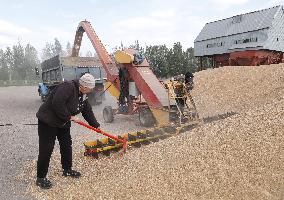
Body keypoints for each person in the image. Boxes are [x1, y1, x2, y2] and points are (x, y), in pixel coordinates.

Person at [35, 73, 100, 189]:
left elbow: (87, 110)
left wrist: (95, 125)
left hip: (62, 122)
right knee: (47, 148)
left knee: (66, 145)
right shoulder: (68, 87)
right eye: (90, 88)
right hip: (48, 121)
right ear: (84, 86)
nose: (91, 90)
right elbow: (57, 103)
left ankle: (67, 169)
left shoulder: (82, 94)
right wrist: (69, 117)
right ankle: (40, 177)